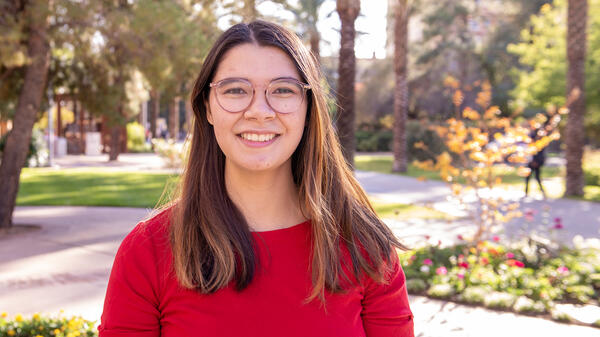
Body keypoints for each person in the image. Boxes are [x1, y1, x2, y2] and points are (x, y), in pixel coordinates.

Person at [98, 20, 414, 337]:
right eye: (236, 90)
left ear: (308, 108)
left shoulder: (364, 248)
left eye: (282, 90)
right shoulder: (148, 251)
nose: (259, 110)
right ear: (207, 108)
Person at [525, 127, 547, 199]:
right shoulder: (531, 143)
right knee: (528, 177)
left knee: (537, 177)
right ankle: (526, 192)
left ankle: (542, 191)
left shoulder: (540, 144)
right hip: (530, 163)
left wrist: (537, 162)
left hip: (537, 163)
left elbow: (541, 155)